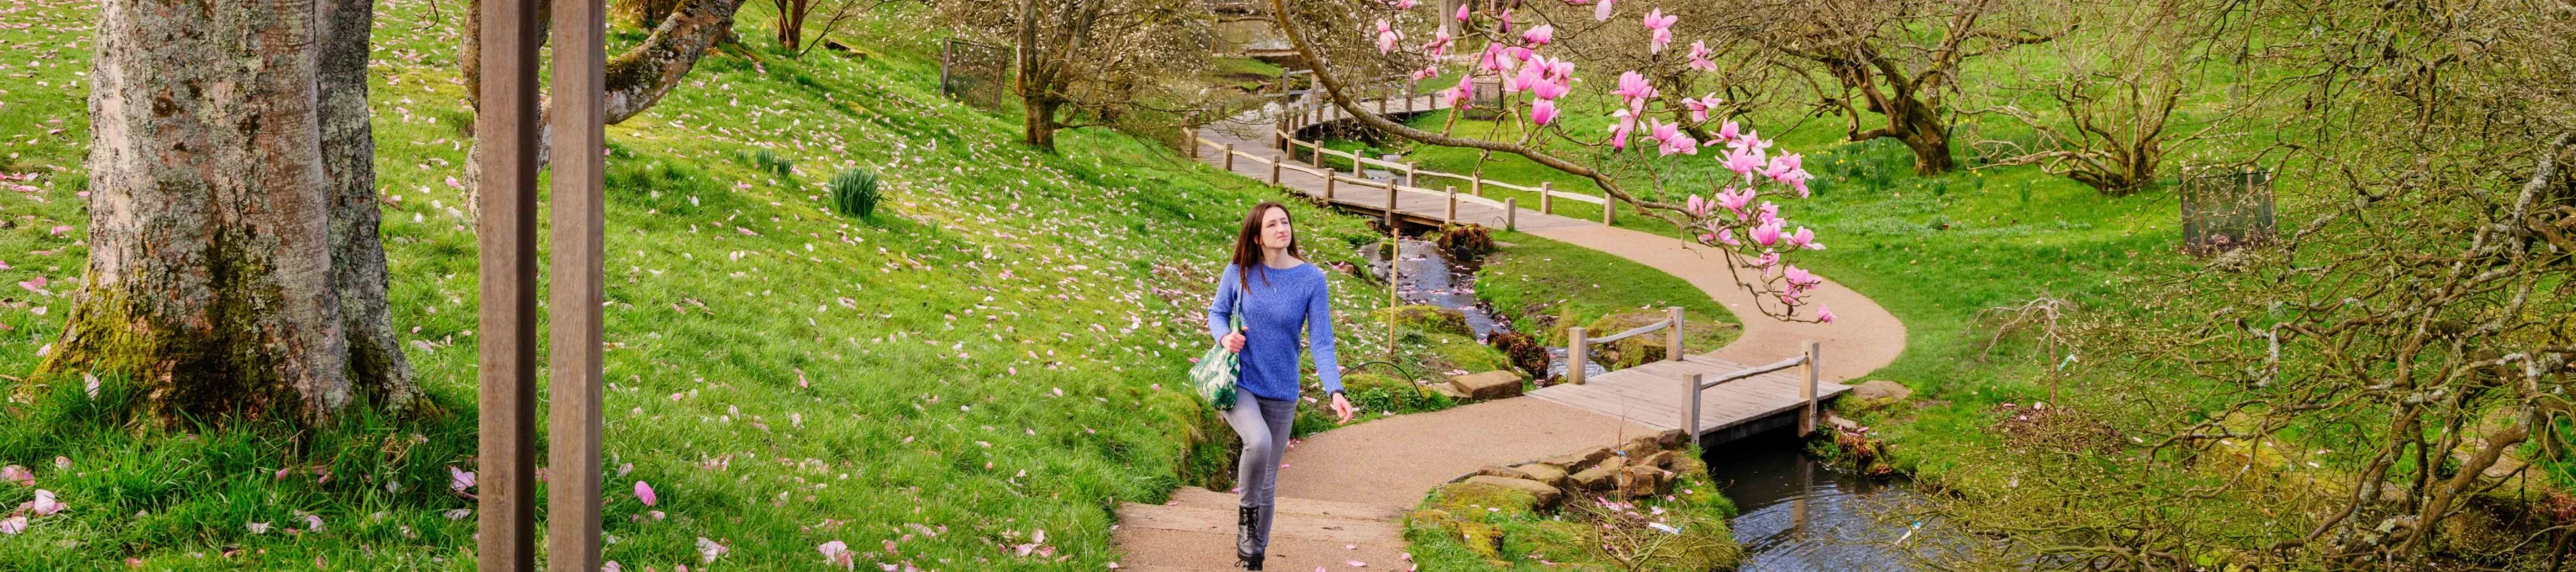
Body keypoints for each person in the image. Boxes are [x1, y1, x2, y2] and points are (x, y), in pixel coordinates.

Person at [1206, 201, 1355, 571]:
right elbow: (1216, 312)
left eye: (1284, 222)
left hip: (1282, 387)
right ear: (1258, 236)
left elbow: (1322, 341)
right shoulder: (1239, 271)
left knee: (1269, 480)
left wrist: (1335, 390)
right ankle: (1246, 520)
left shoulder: (1311, 279)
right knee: (1257, 441)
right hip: (1238, 380)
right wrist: (1225, 337)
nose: (1281, 228)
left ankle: (1254, 557)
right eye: (1272, 224)